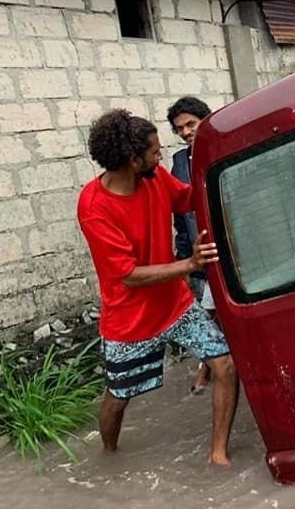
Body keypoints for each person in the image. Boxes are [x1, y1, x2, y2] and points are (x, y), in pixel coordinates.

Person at [77, 108, 238, 467]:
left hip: (175, 304)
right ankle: (109, 458)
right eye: (153, 152)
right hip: (130, 320)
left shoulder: (154, 179)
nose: (160, 155)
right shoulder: (94, 206)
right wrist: (191, 264)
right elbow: (129, 274)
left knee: (225, 365)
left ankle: (218, 455)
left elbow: (189, 198)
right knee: (119, 397)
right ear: (133, 161)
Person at [167, 97, 214, 395]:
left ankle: (207, 368)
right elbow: (180, 218)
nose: (185, 132)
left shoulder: (221, 149)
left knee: (215, 312)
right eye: (179, 128)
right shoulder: (180, 164)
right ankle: (209, 366)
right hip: (202, 254)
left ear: (205, 119)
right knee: (210, 310)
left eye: (190, 124)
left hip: (231, 249)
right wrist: (185, 259)